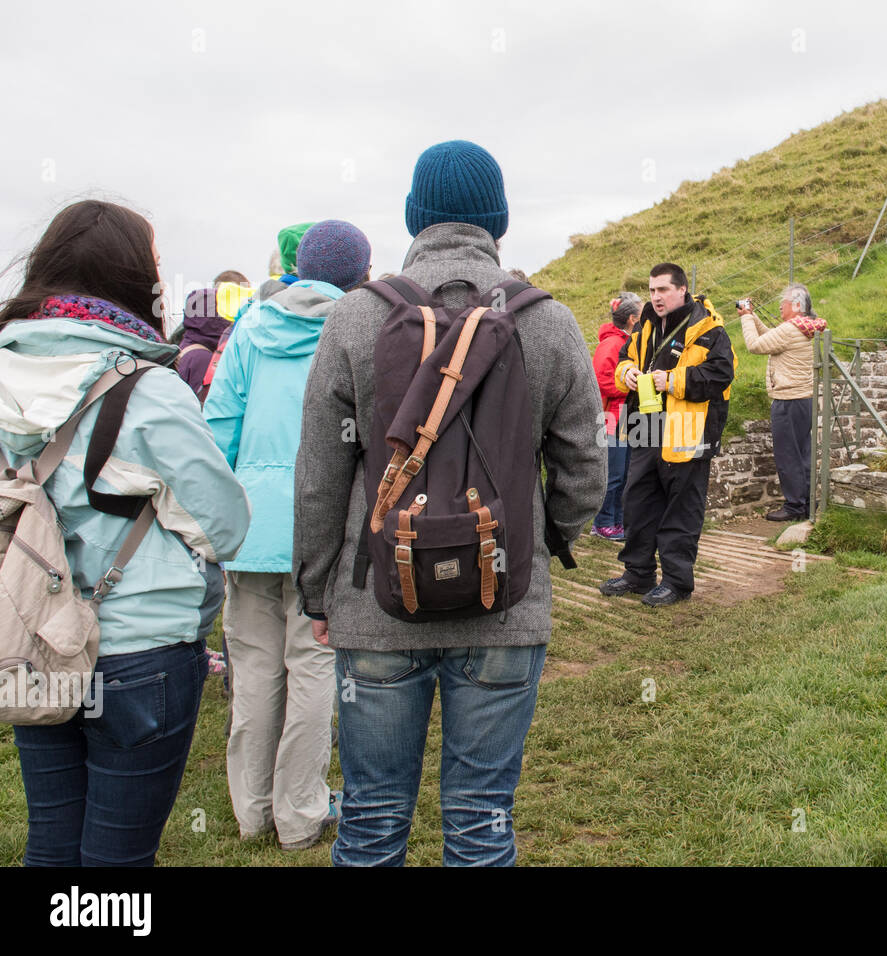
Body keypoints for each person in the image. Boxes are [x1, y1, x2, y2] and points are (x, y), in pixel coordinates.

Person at [293, 139, 604, 866]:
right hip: (505, 604)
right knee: (481, 821)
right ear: (499, 220)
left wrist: (317, 592)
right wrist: (550, 538)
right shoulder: (549, 320)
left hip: (375, 604)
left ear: (412, 217)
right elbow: (585, 461)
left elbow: (320, 474)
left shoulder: (355, 318)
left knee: (369, 818)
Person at [0, 199, 250, 866]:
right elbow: (226, 525)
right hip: (138, 647)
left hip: (33, 637)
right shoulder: (147, 390)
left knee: (52, 842)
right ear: (134, 278)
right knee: (118, 859)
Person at [204, 220, 373, 851]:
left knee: (252, 669)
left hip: (250, 524)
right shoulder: (360, 328)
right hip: (321, 526)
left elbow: (218, 426)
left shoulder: (248, 326)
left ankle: (251, 809)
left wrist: (222, 519)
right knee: (313, 667)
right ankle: (300, 812)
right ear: (360, 271)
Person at [600, 263, 735, 607]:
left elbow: (721, 374)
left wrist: (672, 381)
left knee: (681, 508)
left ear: (682, 289)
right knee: (638, 502)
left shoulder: (709, 328)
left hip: (687, 430)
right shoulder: (645, 325)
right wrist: (628, 373)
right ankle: (638, 573)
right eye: (652, 290)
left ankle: (676, 582)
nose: (656, 297)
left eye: (663, 290)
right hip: (645, 427)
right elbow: (624, 358)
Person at [737, 284, 826, 521]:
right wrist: (753, 316)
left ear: (797, 306)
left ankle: (794, 507)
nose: (779, 306)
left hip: (788, 400)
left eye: (783, 302)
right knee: (802, 454)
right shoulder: (802, 328)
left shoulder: (789, 329)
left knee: (788, 455)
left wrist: (745, 317)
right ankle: (806, 504)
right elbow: (771, 339)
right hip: (804, 399)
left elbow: (756, 345)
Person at [591, 291, 643, 540]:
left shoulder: (627, 342)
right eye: (643, 315)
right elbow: (599, 382)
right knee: (614, 475)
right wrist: (631, 386)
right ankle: (602, 523)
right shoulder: (612, 344)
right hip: (613, 418)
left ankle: (617, 521)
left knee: (625, 475)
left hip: (627, 417)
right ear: (633, 319)